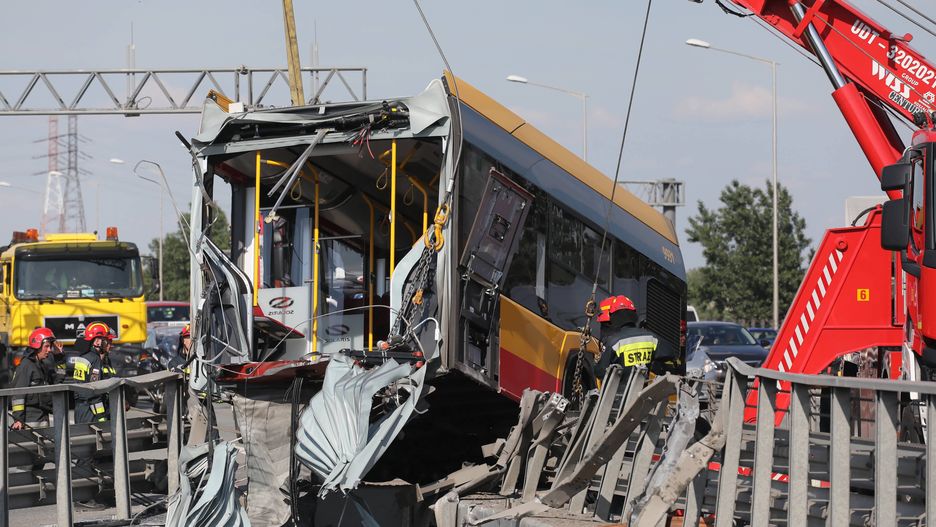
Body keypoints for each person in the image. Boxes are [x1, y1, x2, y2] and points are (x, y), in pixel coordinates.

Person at [593, 295, 659, 381]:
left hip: (618, 393)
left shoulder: (613, 342)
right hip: (643, 391)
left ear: (612, 321)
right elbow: (669, 354)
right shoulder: (652, 338)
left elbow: (601, 372)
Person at [10, 328, 61, 430]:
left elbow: (58, 382)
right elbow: (18, 394)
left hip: (43, 417)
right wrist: (18, 419)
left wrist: (60, 357)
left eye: (50, 346)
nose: (49, 350)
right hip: (30, 420)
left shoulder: (43, 364)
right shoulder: (26, 366)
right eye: (46, 346)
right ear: (37, 346)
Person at [72, 321, 118, 424]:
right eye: (107, 341)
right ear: (97, 342)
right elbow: (94, 391)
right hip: (91, 413)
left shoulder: (85, 357)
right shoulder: (95, 360)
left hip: (81, 409)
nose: (111, 345)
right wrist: (101, 417)